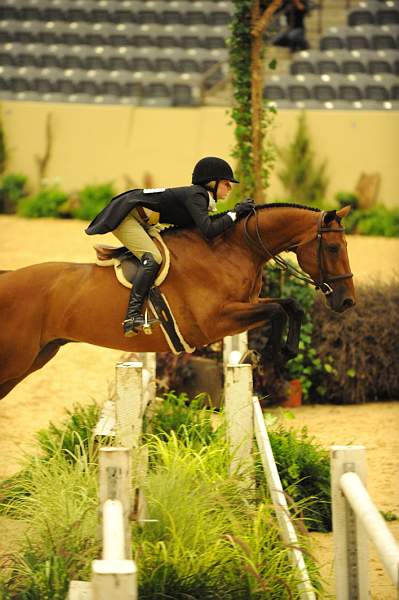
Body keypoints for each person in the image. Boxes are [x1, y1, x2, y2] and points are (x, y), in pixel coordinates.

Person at [85, 156, 255, 337]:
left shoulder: (199, 197)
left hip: (146, 220)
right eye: (227, 183)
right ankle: (132, 316)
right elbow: (209, 230)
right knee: (153, 257)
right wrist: (235, 213)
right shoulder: (197, 195)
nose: (230, 188)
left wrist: (233, 214)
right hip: (127, 217)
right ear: (212, 183)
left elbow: (204, 225)